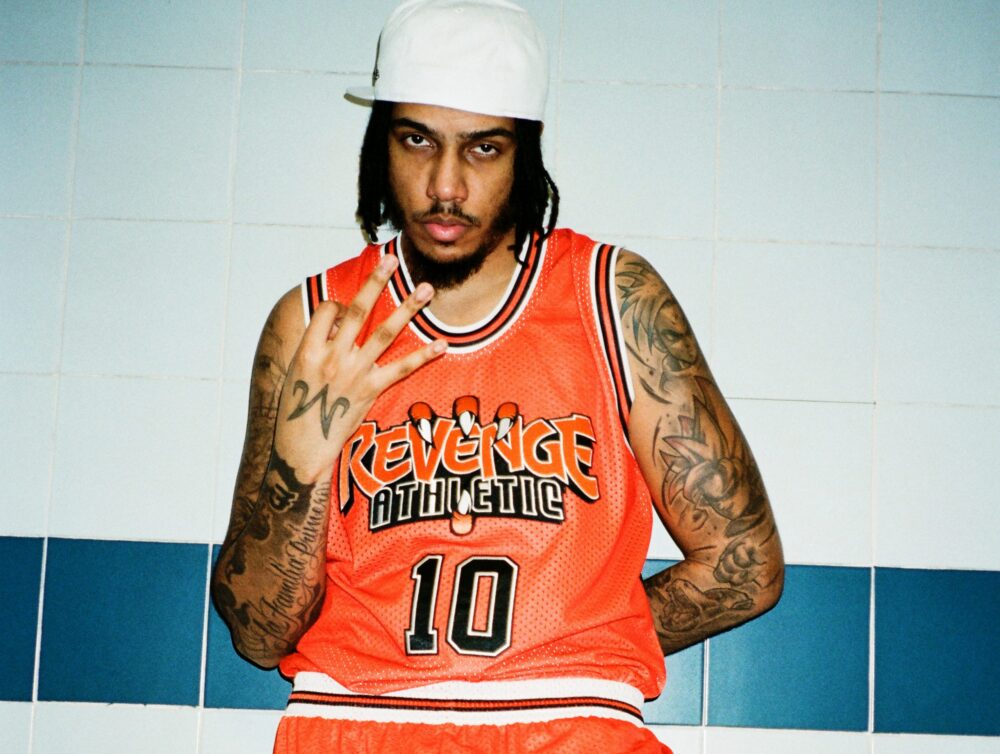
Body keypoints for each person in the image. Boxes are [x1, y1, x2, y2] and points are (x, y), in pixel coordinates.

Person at [212, 1, 784, 751]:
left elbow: (744, 565)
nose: (445, 185)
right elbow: (258, 636)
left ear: (525, 157)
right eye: (416, 139)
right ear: (379, 143)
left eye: (483, 148)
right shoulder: (317, 323)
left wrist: (573, 643)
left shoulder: (610, 298)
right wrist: (300, 465)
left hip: (569, 728)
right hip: (357, 724)